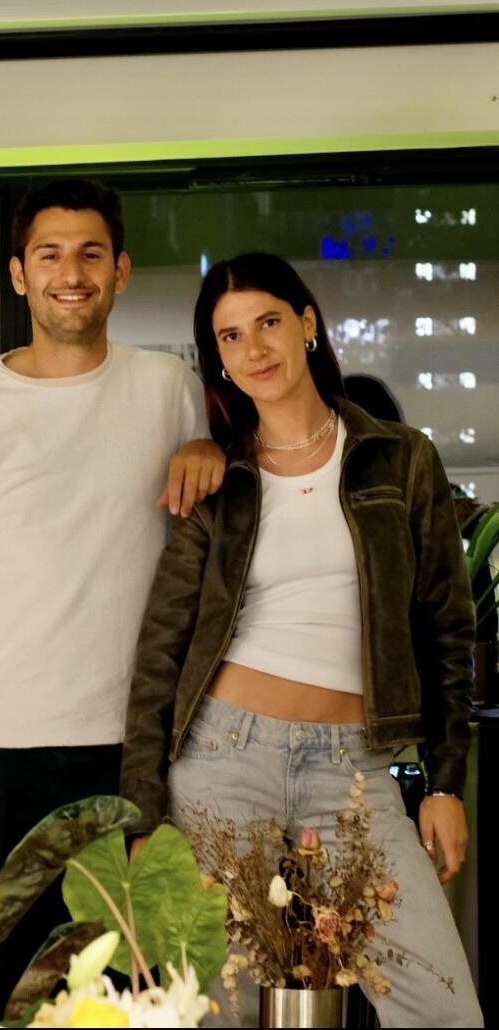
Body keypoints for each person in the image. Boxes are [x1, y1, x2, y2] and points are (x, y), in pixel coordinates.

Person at [120, 252, 482, 1026]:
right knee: (216, 1011)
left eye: (269, 323)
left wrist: (445, 782)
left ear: (308, 324)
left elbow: (446, 628)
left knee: (441, 1005)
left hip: (355, 769)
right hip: (223, 758)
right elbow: (160, 654)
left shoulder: (400, 459)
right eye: (231, 337)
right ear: (217, 359)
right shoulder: (218, 479)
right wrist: (143, 816)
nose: (254, 348)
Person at [0, 178, 225, 1008]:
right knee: (19, 987)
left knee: (139, 987)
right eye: (49, 255)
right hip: (0, 746)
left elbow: (212, 527)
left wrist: (210, 449)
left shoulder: (170, 388)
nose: (70, 273)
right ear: (20, 274)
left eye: (91, 254)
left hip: (137, 746)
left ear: (121, 271)